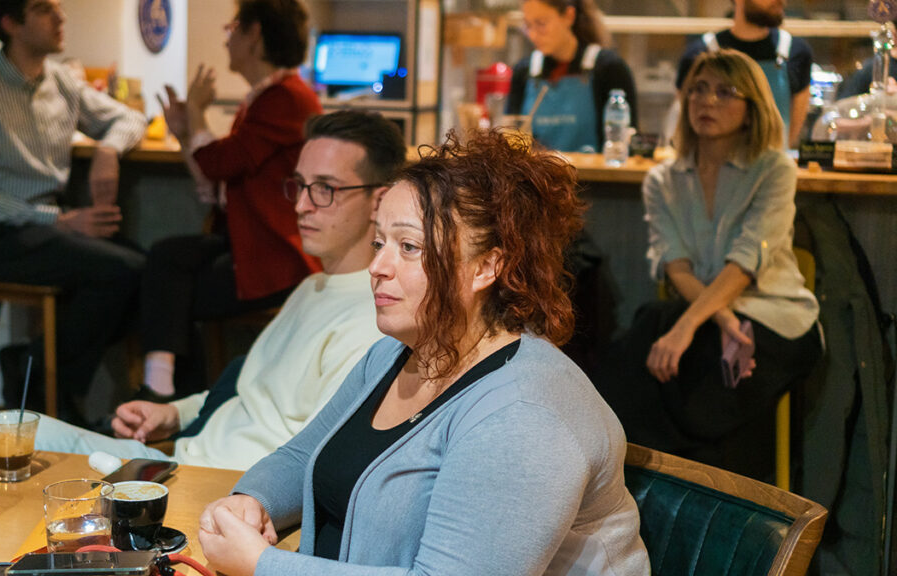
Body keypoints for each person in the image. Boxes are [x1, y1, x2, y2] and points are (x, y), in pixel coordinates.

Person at [195, 130, 650, 575]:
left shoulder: (527, 417)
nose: (377, 267)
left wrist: (263, 565)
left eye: (409, 247)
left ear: (486, 267)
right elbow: (302, 457)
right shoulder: (391, 356)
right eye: (379, 243)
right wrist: (252, 500)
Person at [33, 110, 408, 471]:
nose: (300, 205)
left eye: (325, 188)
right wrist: (173, 413)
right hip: (178, 461)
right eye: (300, 185)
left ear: (378, 202)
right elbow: (250, 392)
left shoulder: (373, 321)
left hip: (217, 488)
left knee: (18, 445)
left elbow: (316, 462)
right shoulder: (313, 286)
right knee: (15, 430)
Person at [595, 50, 821, 477]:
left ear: (752, 108)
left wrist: (687, 327)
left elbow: (745, 263)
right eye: (698, 89)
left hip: (775, 317)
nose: (707, 101)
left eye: (724, 91)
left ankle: (676, 487)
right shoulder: (663, 179)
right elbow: (675, 266)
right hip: (710, 317)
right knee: (645, 336)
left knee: (685, 375)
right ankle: (642, 480)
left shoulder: (774, 169)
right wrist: (718, 319)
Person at [0, 0, 147, 420]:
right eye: (44, 9)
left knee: (145, 268)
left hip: (49, 227)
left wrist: (108, 149)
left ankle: (32, 370)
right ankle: (43, 384)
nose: (61, 16)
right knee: (119, 270)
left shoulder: (62, 82)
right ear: (11, 23)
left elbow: (130, 119)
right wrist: (59, 220)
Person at [140, 0, 323, 400]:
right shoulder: (263, 98)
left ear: (254, 33)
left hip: (277, 257)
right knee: (166, 261)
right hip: (248, 244)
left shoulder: (286, 98)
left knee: (168, 292)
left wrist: (197, 114)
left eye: (232, 28)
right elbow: (216, 182)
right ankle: (167, 394)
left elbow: (219, 162)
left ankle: (165, 394)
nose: (226, 39)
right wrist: (186, 133)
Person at [675, 0, 813, 147]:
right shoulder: (700, 54)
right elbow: (687, 125)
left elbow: (790, 134)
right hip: (715, 160)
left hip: (772, 159)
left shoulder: (796, 52)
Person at [506, 0, 637, 152]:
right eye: (527, 25)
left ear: (569, 16)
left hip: (591, 168)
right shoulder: (524, 71)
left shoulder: (609, 69)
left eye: (541, 23)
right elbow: (511, 131)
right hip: (537, 168)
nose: (533, 34)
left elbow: (627, 140)